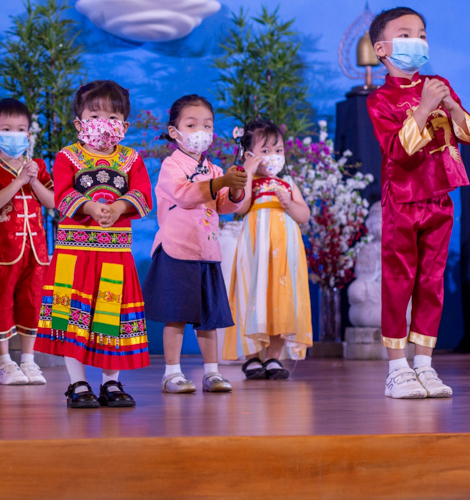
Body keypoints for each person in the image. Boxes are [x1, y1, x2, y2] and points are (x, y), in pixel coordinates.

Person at [367, 7, 469, 398]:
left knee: (431, 282)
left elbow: (467, 132)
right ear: (382, 48)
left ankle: (425, 366)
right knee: (398, 281)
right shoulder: (379, 100)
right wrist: (425, 107)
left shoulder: (439, 83)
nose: (418, 41)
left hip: (440, 200)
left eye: (422, 34)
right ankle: (397, 369)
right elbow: (398, 151)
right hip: (403, 201)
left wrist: (454, 107)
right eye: (406, 34)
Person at [34, 80, 153, 408]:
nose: (105, 121)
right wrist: (88, 207)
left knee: (109, 318)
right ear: (79, 122)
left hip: (114, 254)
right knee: (74, 319)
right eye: (95, 113)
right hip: (75, 252)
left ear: (125, 125)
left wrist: (118, 207)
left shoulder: (131, 159)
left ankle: (111, 384)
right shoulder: (67, 157)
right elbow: (61, 194)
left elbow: (143, 195)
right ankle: (78, 383)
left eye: (113, 116)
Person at [143, 95, 248, 394]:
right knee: (175, 315)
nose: (200, 130)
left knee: (208, 318)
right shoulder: (170, 166)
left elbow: (226, 206)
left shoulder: (215, 170)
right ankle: (172, 373)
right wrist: (220, 183)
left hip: (207, 252)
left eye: (207, 125)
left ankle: (211, 373)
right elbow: (184, 195)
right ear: (174, 132)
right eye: (191, 124)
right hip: (177, 250)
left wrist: (236, 190)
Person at [221, 121, 313, 378]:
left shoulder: (287, 184)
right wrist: (247, 172)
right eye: (266, 150)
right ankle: (252, 357)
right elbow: (240, 208)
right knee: (253, 294)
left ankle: (273, 358)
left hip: (285, 251)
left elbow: (303, 215)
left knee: (281, 298)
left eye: (279, 150)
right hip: (255, 250)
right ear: (249, 154)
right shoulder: (247, 182)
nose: (274, 157)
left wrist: (289, 205)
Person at [0, 98, 55, 385]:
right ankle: (4, 363)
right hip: (2, 251)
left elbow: (53, 202)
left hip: (36, 250)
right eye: (7, 129)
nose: (15, 134)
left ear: (28, 135)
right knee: (0, 303)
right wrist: (18, 182)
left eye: (21, 129)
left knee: (33, 302)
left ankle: (29, 361)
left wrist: (32, 181)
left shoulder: (38, 167)